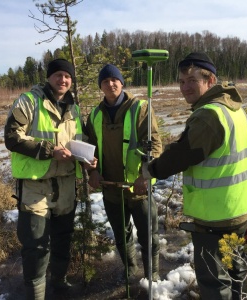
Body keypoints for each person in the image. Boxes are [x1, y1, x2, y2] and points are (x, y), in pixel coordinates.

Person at [142, 52, 247, 299]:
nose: (185, 87)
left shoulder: (209, 114)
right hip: (241, 210)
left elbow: (182, 155)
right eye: (181, 81)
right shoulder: (235, 109)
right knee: (235, 271)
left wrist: (149, 171)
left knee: (214, 282)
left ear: (210, 81)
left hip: (217, 217)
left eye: (192, 80)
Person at [4, 58, 95, 300]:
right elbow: (12, 137)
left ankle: (60, 286)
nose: (63, 79)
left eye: (67, 75)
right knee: (35, 246)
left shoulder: (74, 108)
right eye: (58, 74)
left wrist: (87, 159)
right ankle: (37, 295)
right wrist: (49, 150)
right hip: (36, 187)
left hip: (65, 186)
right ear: (49, 77)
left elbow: (80, 141)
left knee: (63, 240)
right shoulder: (29, 101)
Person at [86, 64, 162, 281]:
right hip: (111, 189)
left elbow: (155, 145)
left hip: (138, 188)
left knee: (149, 236)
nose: (110, 84)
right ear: (101, 86)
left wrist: (145, 176)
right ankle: (130, 268)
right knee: (121, 235)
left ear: (121, 82)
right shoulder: (95, 115)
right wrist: (92, 171)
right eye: (105, 81)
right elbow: (89, 148)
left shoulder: (141, 108)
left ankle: (152, 274)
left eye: (114, 80)